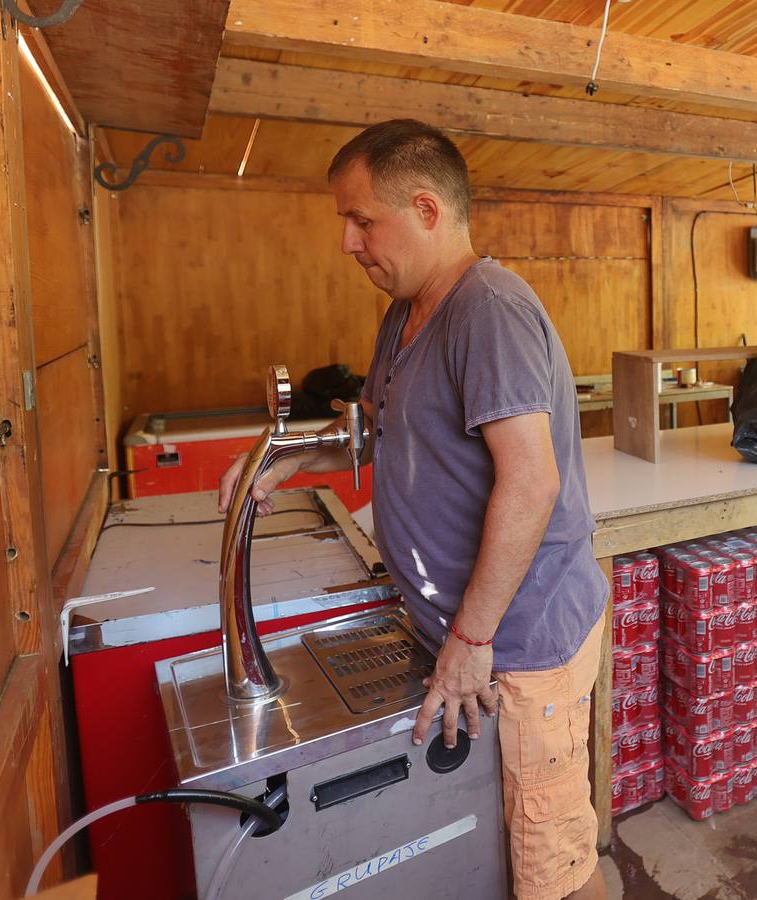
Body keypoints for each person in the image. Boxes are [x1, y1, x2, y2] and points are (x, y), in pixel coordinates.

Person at [218, 119, 609, 899]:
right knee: (499, 852)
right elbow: (373, 432)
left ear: (427, 210)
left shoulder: (486, 309)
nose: (348, 243)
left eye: (362, 220)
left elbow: (532, 484)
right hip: (466, 639)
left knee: (554, 871)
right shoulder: (405, 313)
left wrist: (471, 637)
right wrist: (284, 458)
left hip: (518, 647)